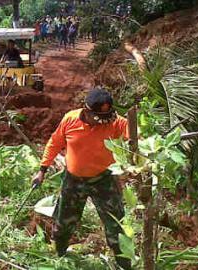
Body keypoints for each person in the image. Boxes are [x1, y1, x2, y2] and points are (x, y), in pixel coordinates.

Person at [33, 88, 131, 270]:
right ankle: (58, 258)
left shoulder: (114, 122)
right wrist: (42, 170)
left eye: (107, 116)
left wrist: (144, 140)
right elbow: (55, 142)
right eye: (98, 117)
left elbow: (135, 134)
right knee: (63, 223)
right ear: (86, 111)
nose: (103, 122)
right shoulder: (70, 119)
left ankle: (124, 265)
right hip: (73, 181)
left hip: (104, 181)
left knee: (116, 226)